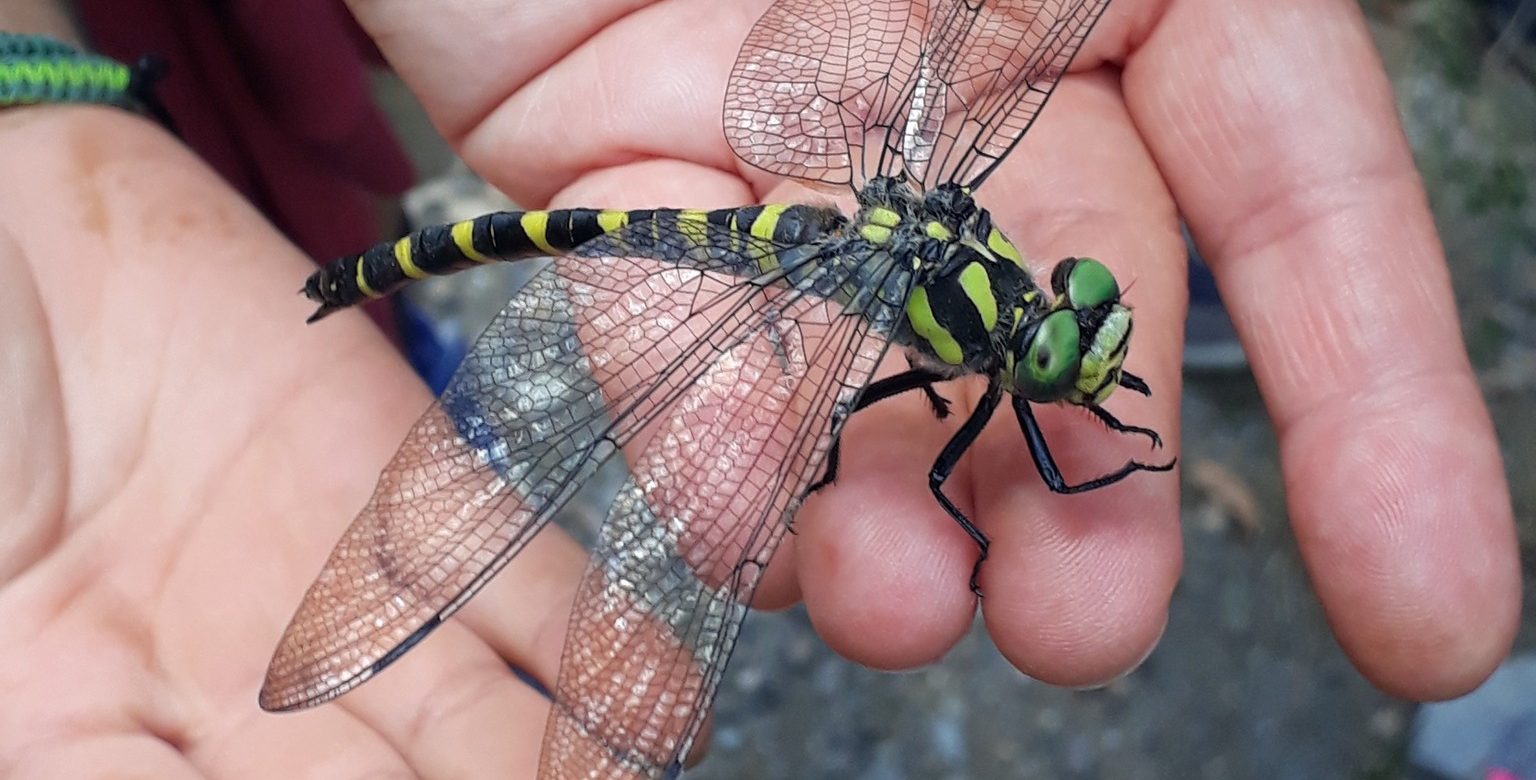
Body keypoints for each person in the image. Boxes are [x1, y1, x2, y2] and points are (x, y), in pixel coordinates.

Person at [0, 0, 1520, 775]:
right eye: (1067, 350)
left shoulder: (989, 280)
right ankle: (360, 285)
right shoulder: (947, 349)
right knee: (840, 508)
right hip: (726, 244)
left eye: (1073, 336)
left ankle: (357, 297)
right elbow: (942, 470)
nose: (1076, 353)